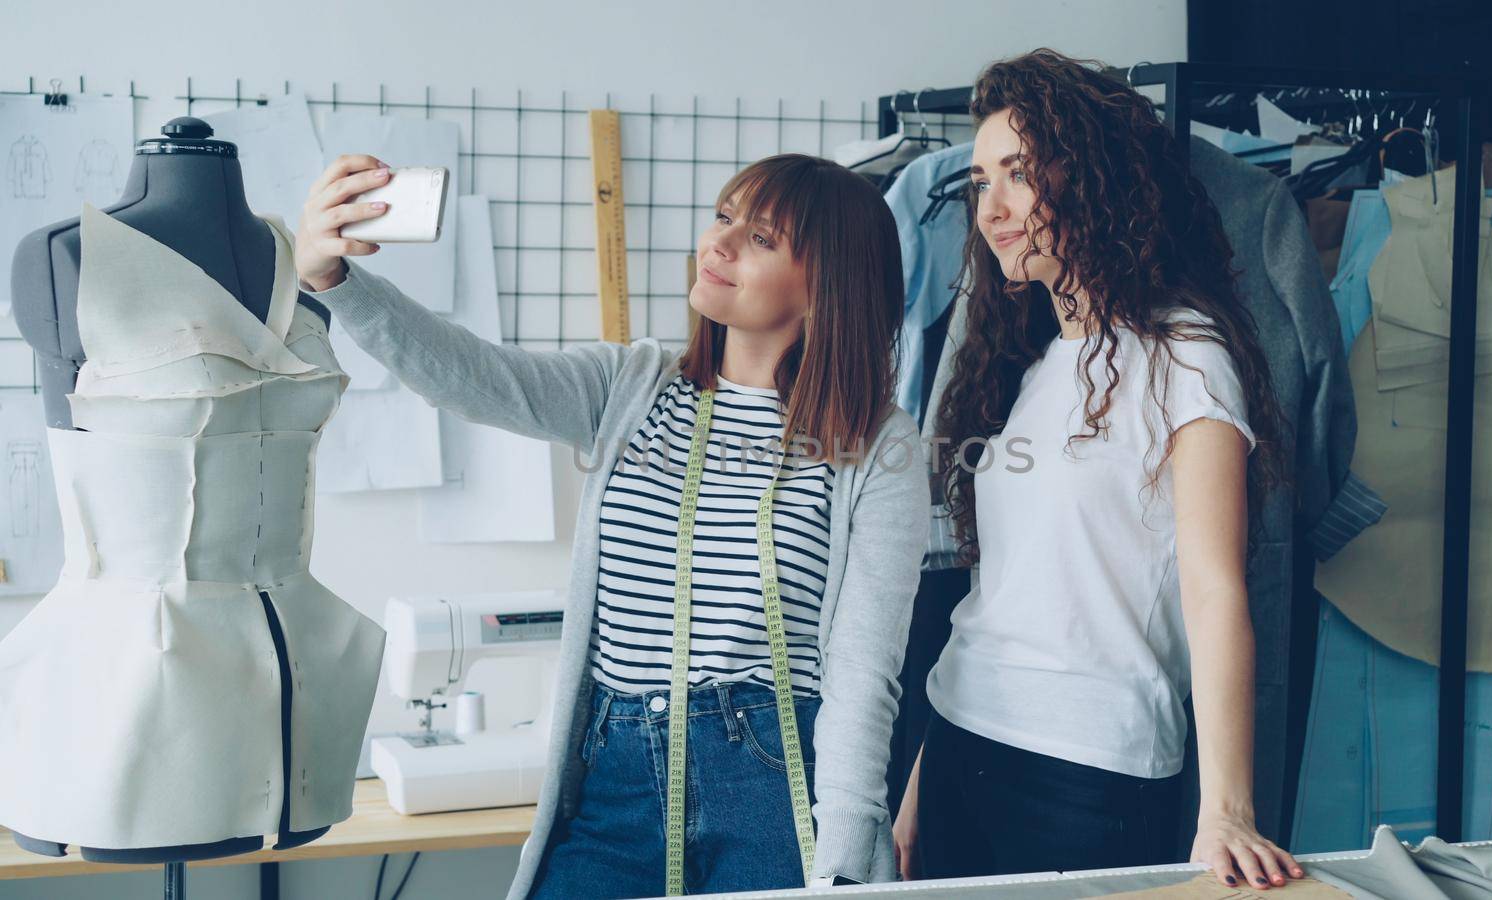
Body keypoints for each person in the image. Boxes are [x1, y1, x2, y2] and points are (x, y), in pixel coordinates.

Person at [295, 153, 928, 898]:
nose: (718, 245)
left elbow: (862, 669)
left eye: (761, 239)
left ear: (828, 284)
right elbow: (470, 375)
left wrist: (847, 850)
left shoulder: (875, 442)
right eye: (724, 217)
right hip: (617, 772)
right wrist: (334, 283)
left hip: (769, 783)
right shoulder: (630, 386)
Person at [893, 50, 1305, 891]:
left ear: (1087, 177)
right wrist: (922, 775)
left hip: (1086, 776)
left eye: (1018, 172)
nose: (993, 207)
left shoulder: (1184, 356)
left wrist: (1227, 807)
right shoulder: (1028, 365)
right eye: (979, 181)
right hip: (961, 745)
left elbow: (1216, 590)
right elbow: (1000, 600)